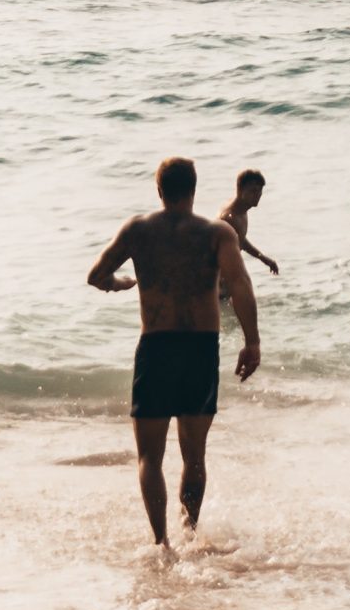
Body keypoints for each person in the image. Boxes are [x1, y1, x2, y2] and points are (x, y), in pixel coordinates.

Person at [87, 157, 261, 547]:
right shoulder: (218, 233)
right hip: (200, 349)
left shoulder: (138, 230)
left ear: (159, 190)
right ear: (194, 189)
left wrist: (121, 284)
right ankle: (190, 533)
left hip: (156, 347)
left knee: (150, 457)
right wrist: (252, 342)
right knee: (194, 457)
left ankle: (161, 543)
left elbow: (96, 275)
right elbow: (240, 285)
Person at [218, 169, 281, 276]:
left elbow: (240, 239)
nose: (258, 195)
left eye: (260, 190)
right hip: (219, 275)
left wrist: (263, 258)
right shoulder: (229, 218)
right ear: (240, 190)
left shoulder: (241, 210)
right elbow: (223, 254)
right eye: (253, 191)